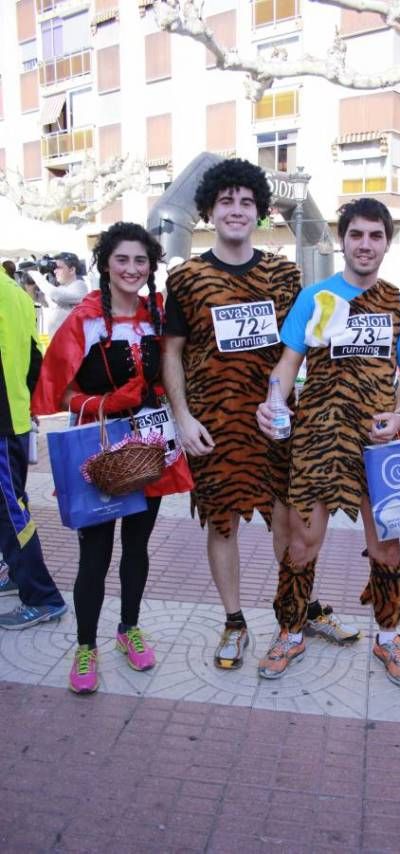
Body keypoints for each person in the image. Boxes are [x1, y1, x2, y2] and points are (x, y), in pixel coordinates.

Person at [163, 158, 360, 672]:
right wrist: (182, 417)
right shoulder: (186, 278)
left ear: (260, 211)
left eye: (246, 201)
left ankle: (301, 608)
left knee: (290, 517)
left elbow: (301, 347)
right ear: (209, 209)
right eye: (225, 201)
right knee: (222, 523)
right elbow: (171, 353)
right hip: (214, 423)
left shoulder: (283, 273)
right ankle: (234, 621)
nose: (236, 210)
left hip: (277, 421)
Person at [256, 197, 400, 682]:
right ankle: (290, 632)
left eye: (375, 235)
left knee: (387, 547)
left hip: (376, 443)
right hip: (317, 438)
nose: (365, 244)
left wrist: (398, 414)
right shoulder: (315, 297)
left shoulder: (398, 303)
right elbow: (287, 363)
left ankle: (389, 638)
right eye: (356, 235)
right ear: (343, 240)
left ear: (387, 243)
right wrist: (274, 401)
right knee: (303, 542)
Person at [32, 222, 192, 695]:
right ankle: (86, 646)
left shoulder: (157, 315)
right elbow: (60, 392)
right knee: (94, 554)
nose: (131, 269)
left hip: (148, 446)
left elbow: (176, 365)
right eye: (122, 259)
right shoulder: (83, 319)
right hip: (97, 448)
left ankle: (129, 629)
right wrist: (107, 403)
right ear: (105, 263)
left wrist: (160, 393)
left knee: (138, 547)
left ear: (150, 267)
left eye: (140, 261)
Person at [0, 267, 67, 628]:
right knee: (10, 509)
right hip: (14, 420)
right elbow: (34, 360)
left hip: (3, 424)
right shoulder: (14, 291)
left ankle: (42, 596)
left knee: (12, 512)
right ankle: (15, 573)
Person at [29, 251, 88, 336]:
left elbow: (57, 295)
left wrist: (36, 276)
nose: (55, 271)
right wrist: (29, 282)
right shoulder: (59, 288)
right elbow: (36, 298)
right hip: (55, 343)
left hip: (70, 344)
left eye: (59, 267)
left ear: (72, 270)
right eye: (54, 268)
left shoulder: (80, 286)